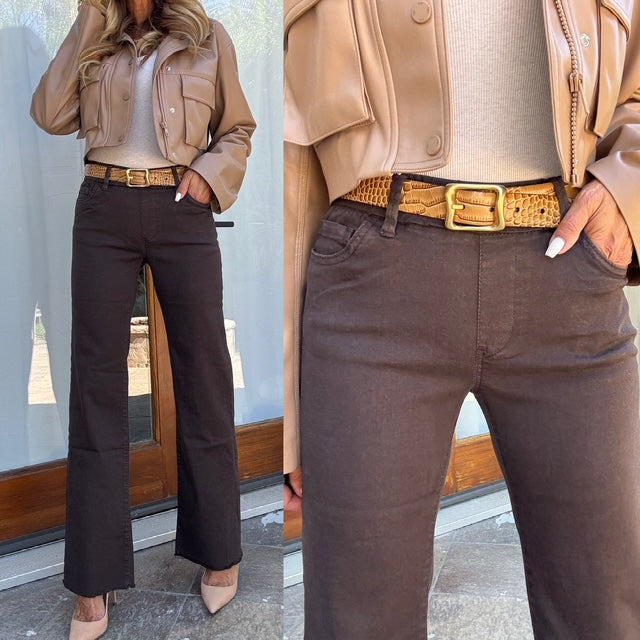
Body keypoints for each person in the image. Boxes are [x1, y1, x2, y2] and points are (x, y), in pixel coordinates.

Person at [284, 1, 640, 638]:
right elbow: (292, 144)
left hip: (569, 273)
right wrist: (291, 422)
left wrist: (629, 190)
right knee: (358, 617)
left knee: (606, 608)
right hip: (375, 280)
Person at [31, 0, 255, 637]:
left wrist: (209, 177)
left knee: (205, 375)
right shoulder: (97, 34)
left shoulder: (208, 37)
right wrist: (88, 18)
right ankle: (92, 579)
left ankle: (219, 549)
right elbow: (49, 113)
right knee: (95, 385)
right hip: (103, 207)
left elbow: (237, 128)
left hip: (181, 208)